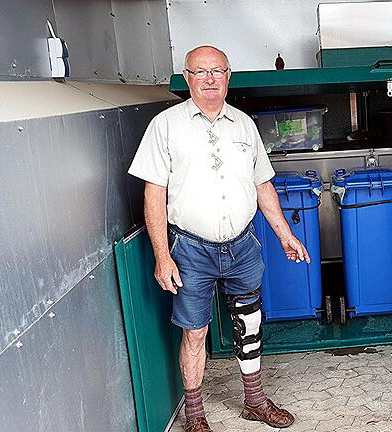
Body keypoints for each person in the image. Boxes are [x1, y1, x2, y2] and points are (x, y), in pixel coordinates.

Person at [128, 45, 308, 431]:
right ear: (187, 78)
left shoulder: (244, 124)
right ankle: (196, 416)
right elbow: (153, 193)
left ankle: (255, 402)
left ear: (229, 77)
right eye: (200, 72)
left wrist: (285, 235)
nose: (209, 78)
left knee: (250, 321)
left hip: (242, 244)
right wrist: (163, 255)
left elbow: (263, 184)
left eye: (217, 71)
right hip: (191, 248)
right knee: (195, 331)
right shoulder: (165, 125)